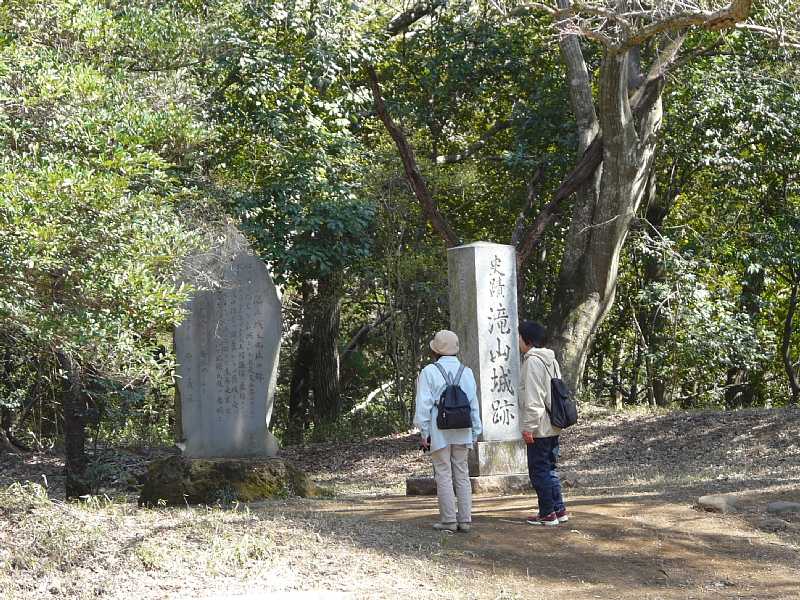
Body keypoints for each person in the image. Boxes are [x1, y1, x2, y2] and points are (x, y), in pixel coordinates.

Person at [413, 330, 482, 533]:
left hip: (439, 429)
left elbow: (424, 405)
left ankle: (449, 521)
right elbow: (473, 404)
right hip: (463, 428)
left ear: (436, 351)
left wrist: (424, 432)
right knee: (462, 472)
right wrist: (476, 431)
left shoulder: (429, 371)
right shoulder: (466, 371)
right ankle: (465, 520)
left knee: (443, 474)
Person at [518, 321, 568, 527]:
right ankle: (558, 509)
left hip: (540, 427)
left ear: (528, 340)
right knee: (549, 469)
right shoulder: (551, 360)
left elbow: (533, 398)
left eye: (520, 337)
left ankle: (547, 513)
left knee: (538, 471)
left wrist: (529, 427)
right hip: (553, 423)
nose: (518, 341)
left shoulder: (532, 362)